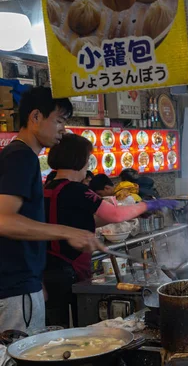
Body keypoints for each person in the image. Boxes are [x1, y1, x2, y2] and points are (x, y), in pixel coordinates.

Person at [43, 134, 177, 327]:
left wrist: (135, 213)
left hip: (48, 271)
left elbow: (82, 222)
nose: (88, 165)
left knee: (56, 329)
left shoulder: (49, 187)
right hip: (68, 271)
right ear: (79, 160)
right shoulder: (77, 190)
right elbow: (114, 214)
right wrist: (146, 206)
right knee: (78, 326)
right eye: (88, 159)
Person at [0, 87, 104, 333]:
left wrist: (38, 280)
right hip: (15, 289)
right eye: (58, 121)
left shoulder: (19, 156)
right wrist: (68, 232)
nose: (63, 129)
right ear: (35, 117)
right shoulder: (20, 157)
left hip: (22, 285)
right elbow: (4, 220)